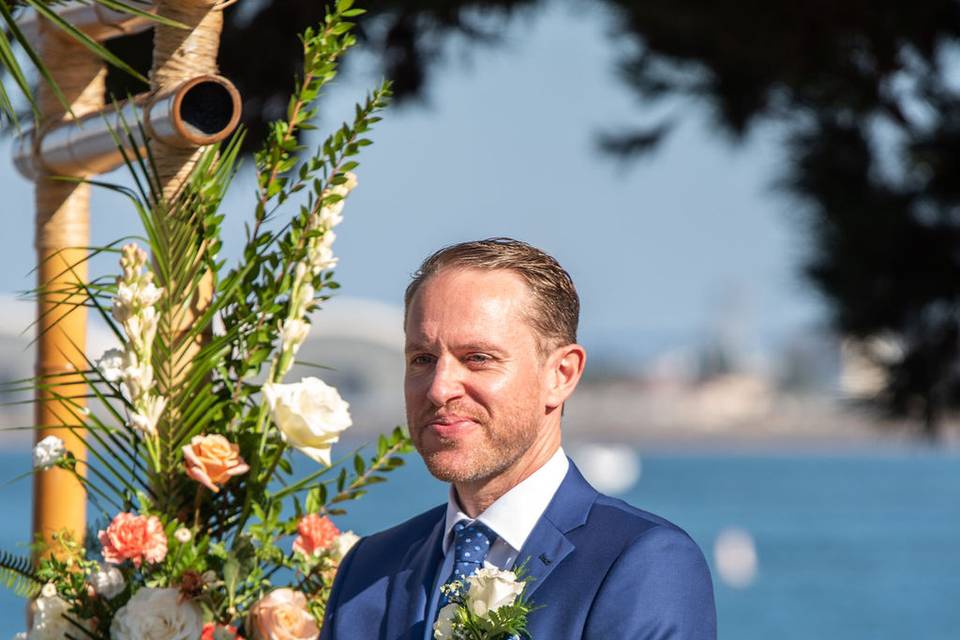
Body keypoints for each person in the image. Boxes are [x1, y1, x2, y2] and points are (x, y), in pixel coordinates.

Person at [320, 238, 716, 639]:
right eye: (423, 359)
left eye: (478, 358)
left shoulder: (640, 564)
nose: (439, 389)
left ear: (560, 375)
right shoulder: (368, 570)